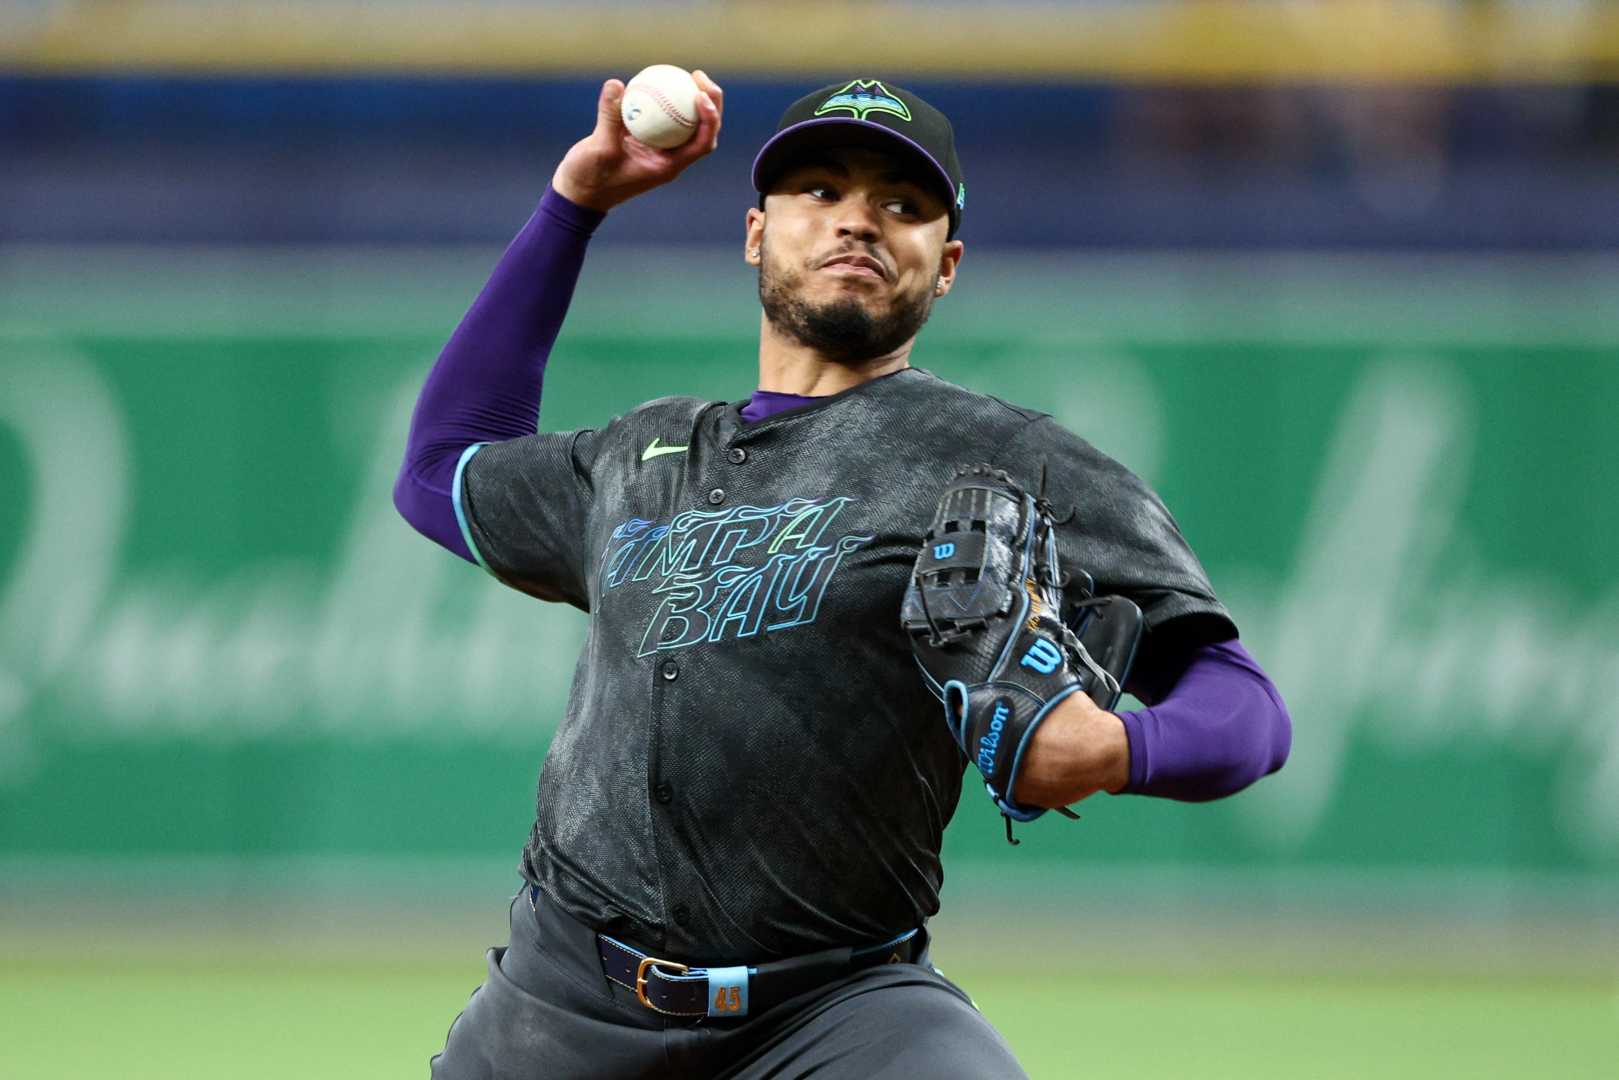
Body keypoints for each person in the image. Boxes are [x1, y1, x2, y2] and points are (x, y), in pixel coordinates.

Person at [395, 73, 1291, 1079]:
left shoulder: (1006, 460)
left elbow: (1246, 708)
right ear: (753, 233)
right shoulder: (640, 457)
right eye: (818, 190)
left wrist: (1113, 748)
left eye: (900, 205)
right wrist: (576, 203)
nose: (856, 220)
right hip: (564, 1004)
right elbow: (437, 471)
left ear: (944, 264)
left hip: (835, 1011)